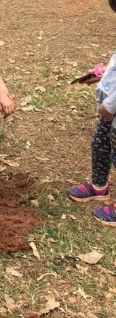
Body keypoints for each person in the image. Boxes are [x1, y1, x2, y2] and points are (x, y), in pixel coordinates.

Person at [67, 28, 116, 225]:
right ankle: (98, 186)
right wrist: (104, 74)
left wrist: (109, 107)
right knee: (100, 145)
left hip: (112, 109)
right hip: (110, 111)